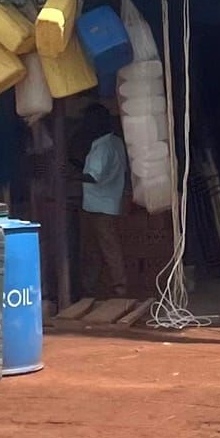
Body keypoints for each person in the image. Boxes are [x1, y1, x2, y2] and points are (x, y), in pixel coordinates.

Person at [78, 103, 129, 298]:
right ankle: (91, 288)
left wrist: (71, 176)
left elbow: (93, 176)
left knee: (107, 249)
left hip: (99, 206)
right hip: (107, 203)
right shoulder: (116, 142)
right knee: (96, 249)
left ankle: (119, 288)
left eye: (88, 122)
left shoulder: (102, 147)